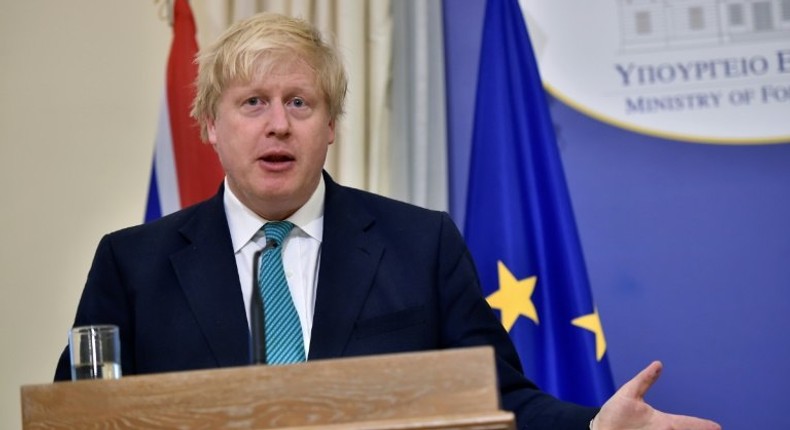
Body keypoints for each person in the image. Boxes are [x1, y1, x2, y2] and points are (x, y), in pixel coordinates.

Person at [54, 12, 719, 430]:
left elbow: (499, 398)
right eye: (252, 102)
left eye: (300, 102)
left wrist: (595, 428)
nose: (278, 123)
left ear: (332, 125)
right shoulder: (132, 264)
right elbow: (79, 416)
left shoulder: (419, 244)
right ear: (209, 127)